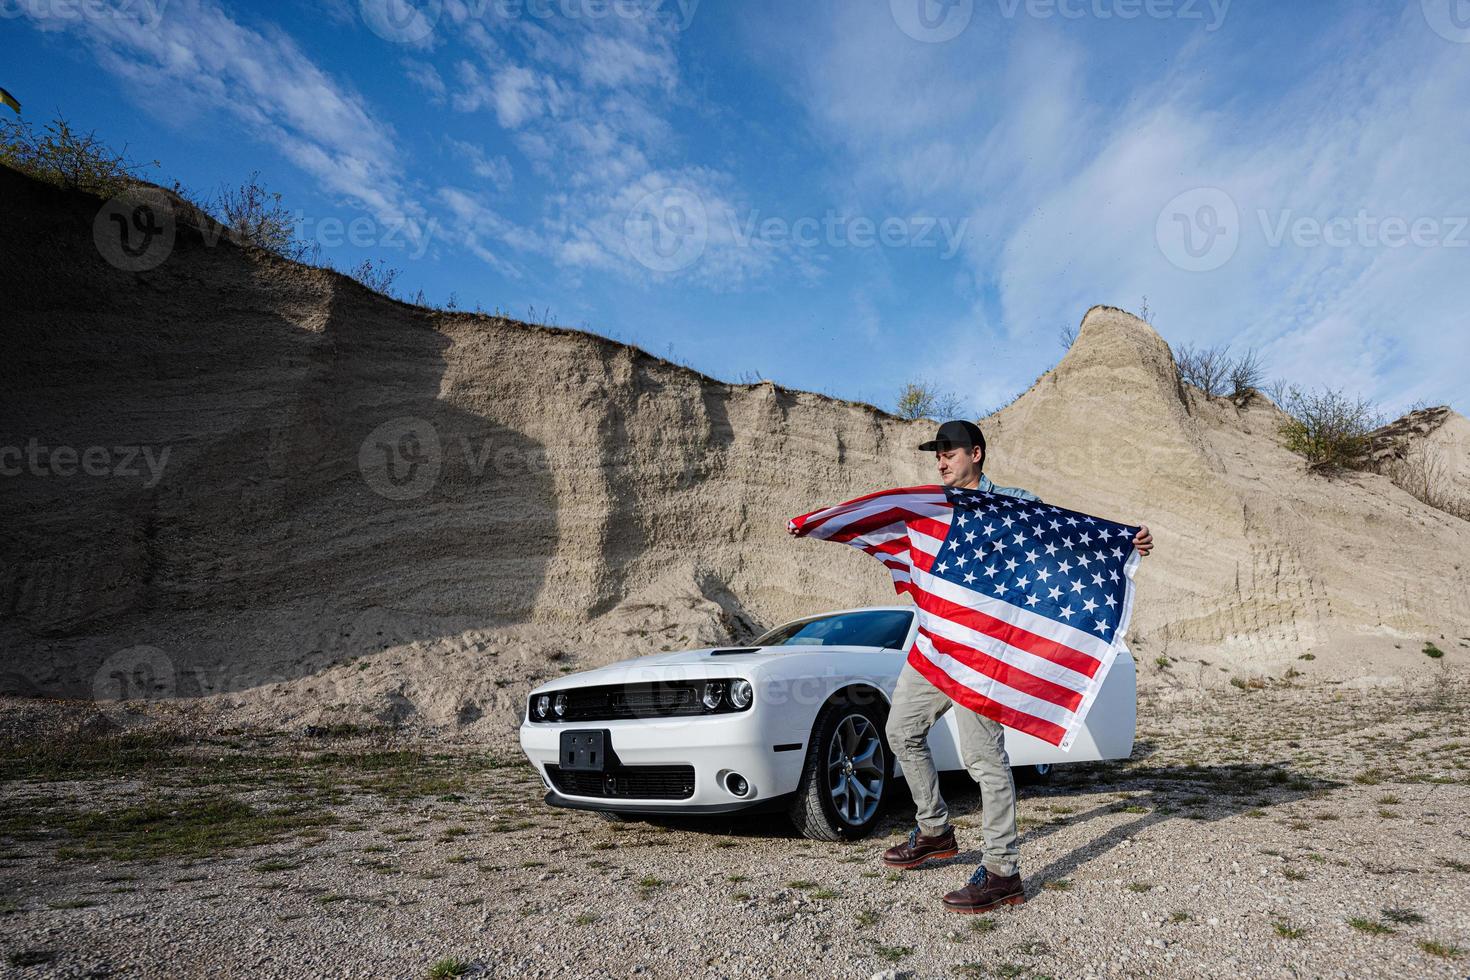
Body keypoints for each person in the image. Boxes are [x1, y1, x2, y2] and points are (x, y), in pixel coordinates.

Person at [879, 420, 1153, 913]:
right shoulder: (933, 505)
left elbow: (1064, 544)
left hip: (982, 654)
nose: (940, 461)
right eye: (936, 454)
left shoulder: (1012, 501)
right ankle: (935, 830)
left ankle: (1003, 871)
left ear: (976, 453)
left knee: (984, 759)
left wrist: (1122, 543)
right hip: (935, 646)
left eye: (949, 452)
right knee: (900, 731)